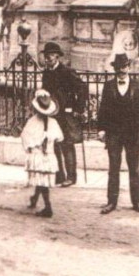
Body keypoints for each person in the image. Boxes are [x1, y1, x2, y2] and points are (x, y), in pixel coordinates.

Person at [97, 53, 139, 214]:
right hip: (114, 133)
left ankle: (137, 202)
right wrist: (101, 129)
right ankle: (111, 202)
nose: (122, 70)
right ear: (115, 69)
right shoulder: (108, 86)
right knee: (113, 168)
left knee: (134, 169)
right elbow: (103, 109)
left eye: (125, 67)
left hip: (133, 133)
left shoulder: (138, 86)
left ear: (129, 67)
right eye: (119, 68)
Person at [41, 42, 87, 186]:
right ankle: (59, 175)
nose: (47, 59)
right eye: (46, 56)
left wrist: (76, 108)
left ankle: (71, 177)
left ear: (57, 56)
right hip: (52, 113)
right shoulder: (46, 73)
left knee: (67, 144)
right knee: (54, 144)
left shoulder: (67, 72)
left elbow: (82, 89)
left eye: (50, 56)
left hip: (65, 114)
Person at [21, 89, 63, 218]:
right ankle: (34, 197)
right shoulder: (53, 123)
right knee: (42, 179)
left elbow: (25, 138)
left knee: (42, 181)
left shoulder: (32, 122)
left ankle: (48, 207)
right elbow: (60, 138)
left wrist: (31, 147)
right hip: (48, 155)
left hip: (39, 155)